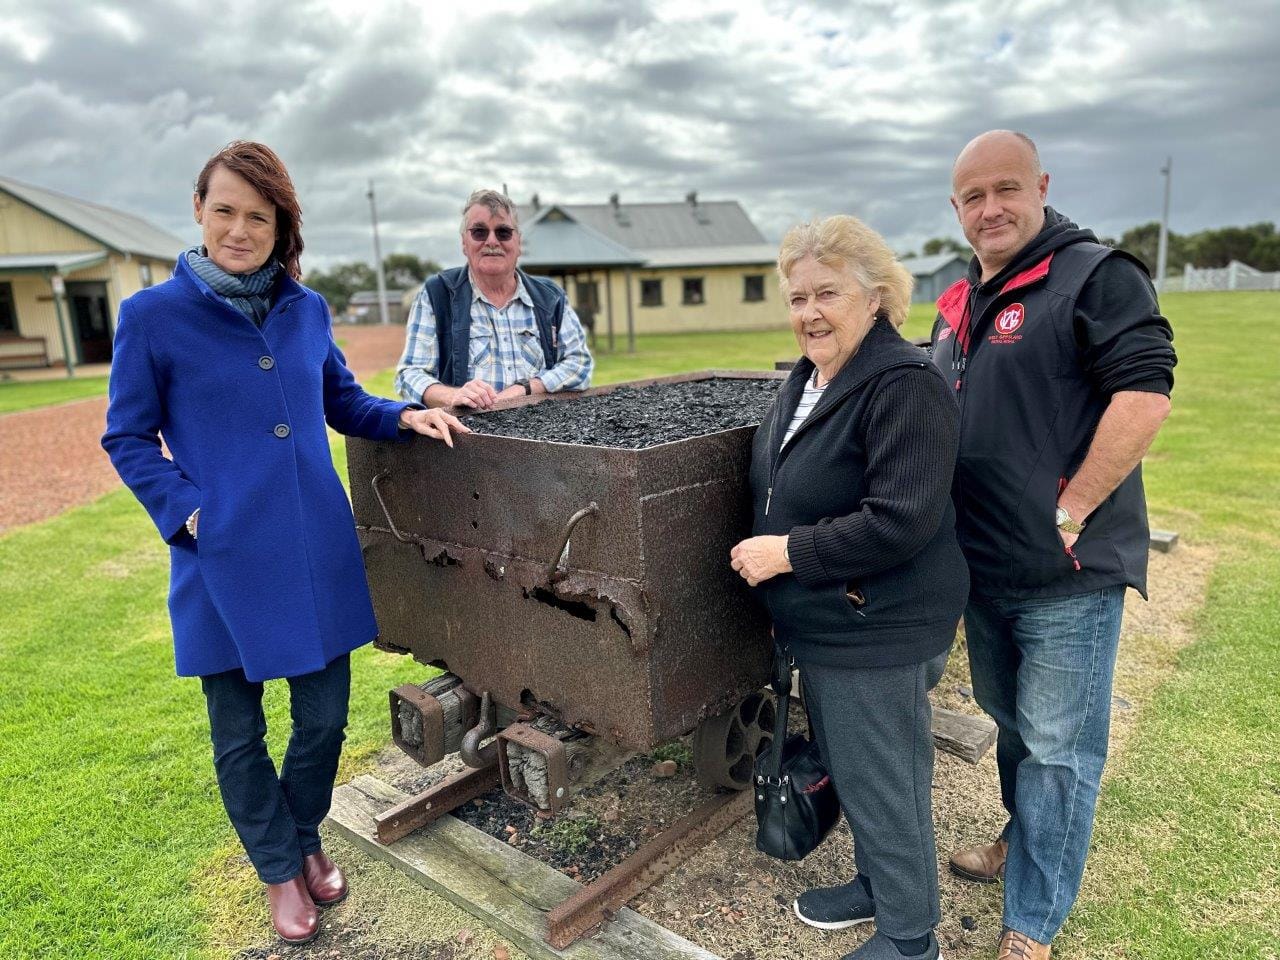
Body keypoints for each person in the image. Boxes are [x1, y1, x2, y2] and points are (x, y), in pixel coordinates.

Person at [102, 141, 468, 945]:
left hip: (313, 554)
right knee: (238, 733)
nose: (240, 228)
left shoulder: (306, 309)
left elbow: (339, 397)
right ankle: (278, 870)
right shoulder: (150, 318)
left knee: (325, 719)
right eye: (225, 210)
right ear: (199, 209)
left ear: (280, 225)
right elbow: (126, 436)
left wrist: (403, 415)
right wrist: (191, 512)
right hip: (220, 560)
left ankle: (304, 836)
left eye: (257, 216)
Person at [931, 131, 1176, 960]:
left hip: (1066, 574)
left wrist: (1071, 508)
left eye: (1006, 189)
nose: (990, 208)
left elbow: (1144, 396)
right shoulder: (966, 296)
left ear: (1041, 185)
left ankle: (1032, 920)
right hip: (985, 568)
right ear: (957, 210)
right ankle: (1020, 838)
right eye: (973, 197)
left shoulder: (1094, 276)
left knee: (1061, 751)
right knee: (1012, 726)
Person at [731, 215, 968, 960]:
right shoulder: (812, 376)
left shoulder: (904, 383)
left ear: (875, 295)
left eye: (826, 293)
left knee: (885, 777)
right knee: (858, 769)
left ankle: (909, 937)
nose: (808, 313)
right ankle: (877, 885)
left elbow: (901, 521)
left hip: (881, 625)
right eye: (797, 297)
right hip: (830, 621)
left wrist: (787, 556)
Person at [394, 189, 593, 409]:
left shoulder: (550, 297)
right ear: (464, 243)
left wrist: (524, 389)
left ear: (518, 242)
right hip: (469, 437)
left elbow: (579, 364)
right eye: (479, 232)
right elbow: (410, 375)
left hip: (541, 435)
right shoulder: (437, 294)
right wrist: (454, 396)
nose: (491, 241)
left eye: (503, 232)